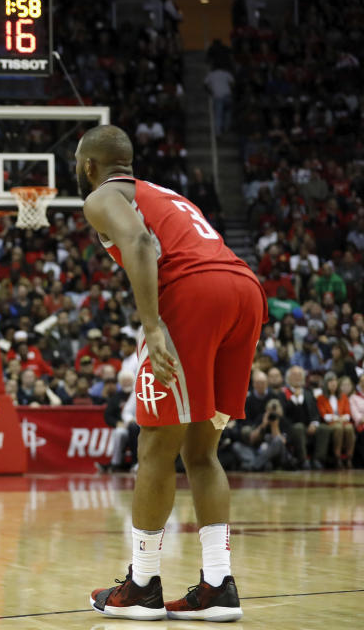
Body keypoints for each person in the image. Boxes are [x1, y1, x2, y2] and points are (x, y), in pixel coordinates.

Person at [77, 126, 264, 621]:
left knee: (155, 447)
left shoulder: (101, 196)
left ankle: (141, 585)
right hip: (244, 290)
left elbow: (140, 241)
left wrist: (153, 327)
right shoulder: (167, 194)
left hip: (194, 295)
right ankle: (218, 586)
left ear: (91, 166)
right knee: (201, 453)